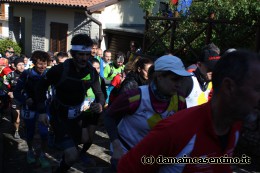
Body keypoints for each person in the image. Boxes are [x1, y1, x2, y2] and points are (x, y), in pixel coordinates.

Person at [118, 50, 260, 173]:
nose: (178, 85)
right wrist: (115, 143)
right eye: (257, 88)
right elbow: (127, 167)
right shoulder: (175, 129)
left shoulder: (235, 125)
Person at [104, 55, 192, 170]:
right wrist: (116, 147)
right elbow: (108, 116)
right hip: (126, 152)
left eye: (181, 79)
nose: (179, 84)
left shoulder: (180, 100)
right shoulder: (135, 96)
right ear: (159, 77)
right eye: (174, 79)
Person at [35, 33, 105, 172]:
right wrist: (42, 111)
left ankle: (65, 148)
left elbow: (99, 93)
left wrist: (100, 104)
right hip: (60, 116)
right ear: (73, 53)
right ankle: (61, 168)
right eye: (80, 54)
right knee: (72, 156)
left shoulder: (91, 71)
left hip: (77, 115)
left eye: (87, 54)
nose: (84, 58)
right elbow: (40, 88)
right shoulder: (60, 70)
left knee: (86, 139)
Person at [13, 50, 51, 167]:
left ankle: (43, 154)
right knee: (30, 132)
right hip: (29, 108)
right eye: (40, 64)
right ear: (34, 63)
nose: (43, 66)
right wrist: (25, 100)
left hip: (44, 108)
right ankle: (30, 151)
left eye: (45, 63)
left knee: (44, 134)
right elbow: (16, 92)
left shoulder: (49, 73)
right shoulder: (27, 74)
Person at [185, 43, 221, 108]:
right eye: (210, 68)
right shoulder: (188, 80)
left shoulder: (211, 82)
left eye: (216, 68)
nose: (213, 72)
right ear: (199, 64)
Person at [4, 57, 25, 139]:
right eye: (19, 65)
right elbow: (3, 85)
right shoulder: (11, 75)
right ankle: (16, 131)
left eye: (23, 64)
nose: (22, 67)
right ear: (15, 66)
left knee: (25, 118)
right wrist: (8, 92)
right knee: (17, 118)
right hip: (15, 99)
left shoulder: (28, 74)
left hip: (26, 99)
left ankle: (22, 128)